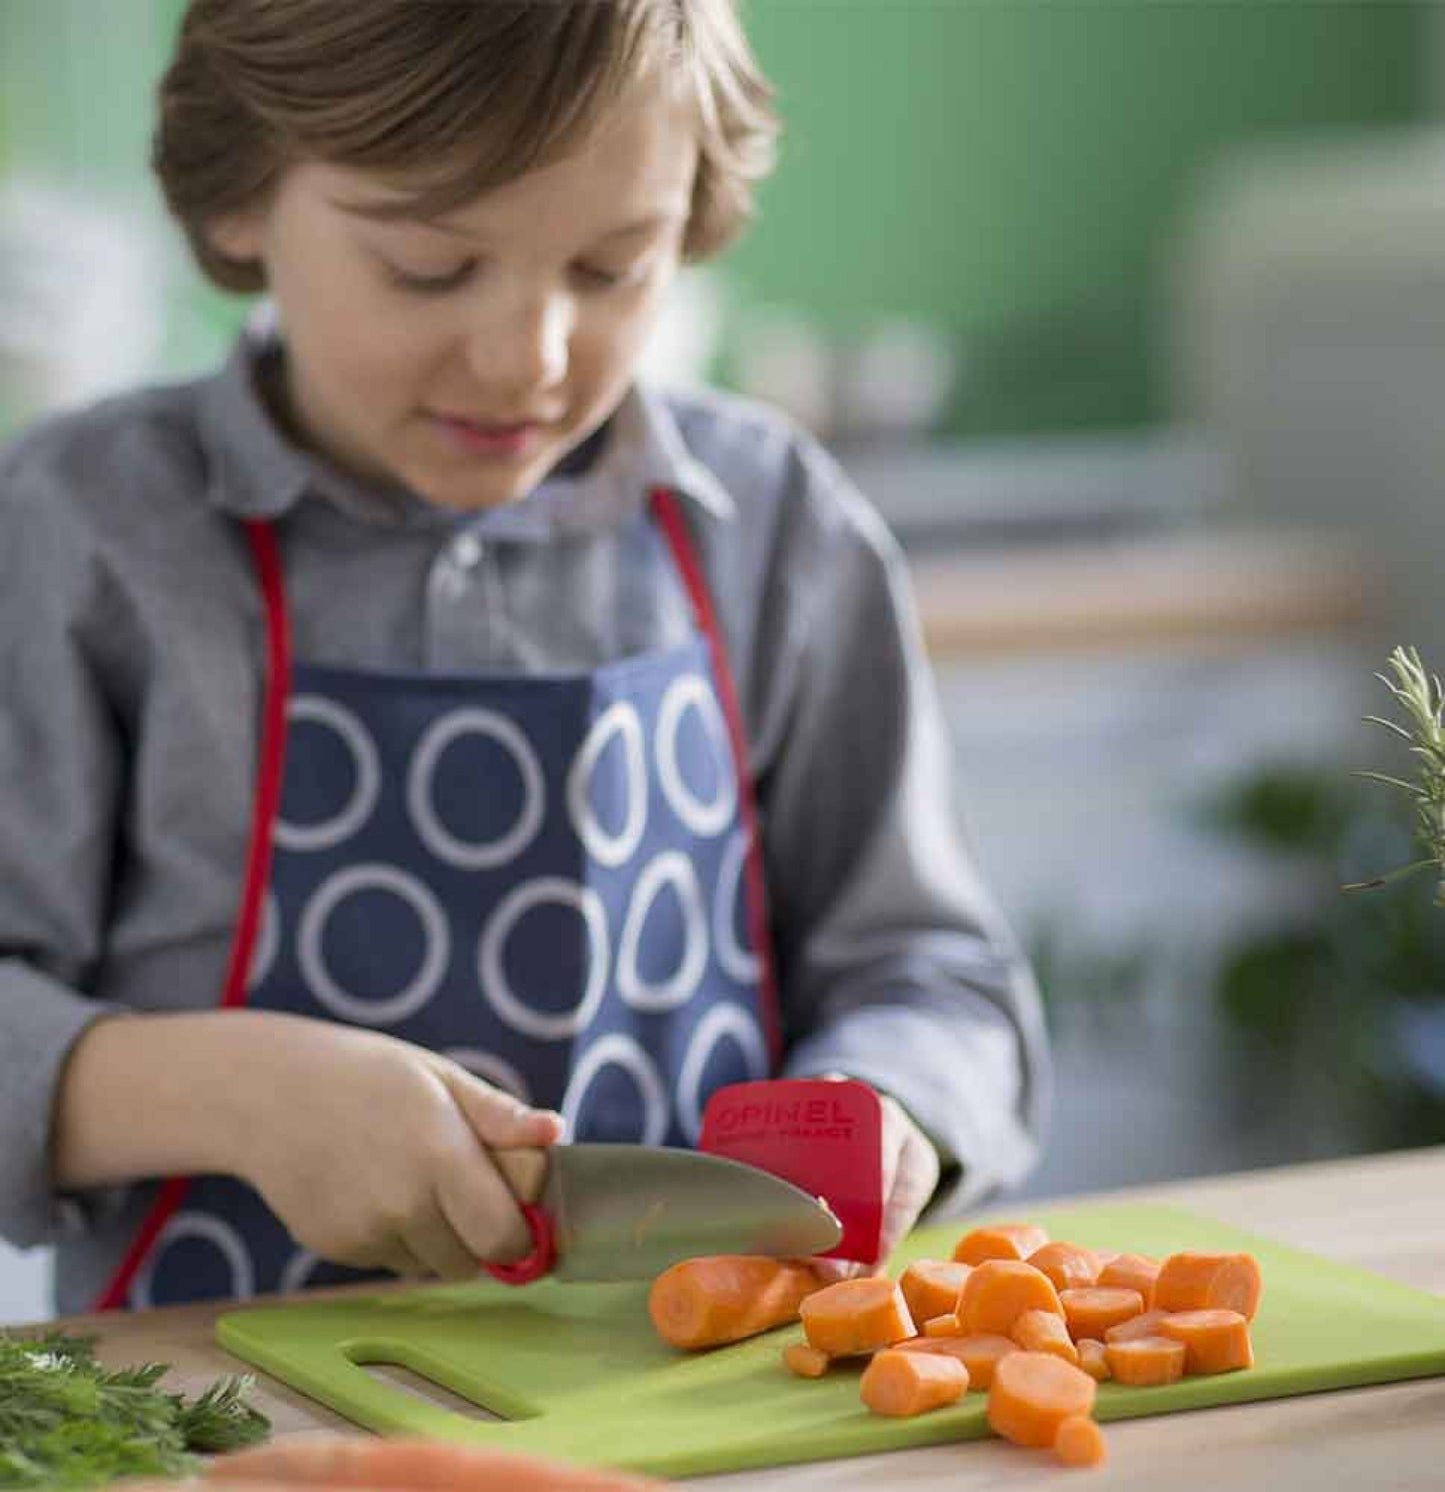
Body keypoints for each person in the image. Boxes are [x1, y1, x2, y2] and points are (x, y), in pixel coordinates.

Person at [0, 0, 1048, 1316]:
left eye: (611, 269)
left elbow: (938, 978)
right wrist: (231, 1091)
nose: (526, 359)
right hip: (219, 1413)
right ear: (241, 201)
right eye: (430, 271)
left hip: (697, 1397)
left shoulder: (775, 528)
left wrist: (889, 1110)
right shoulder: (81, 531)